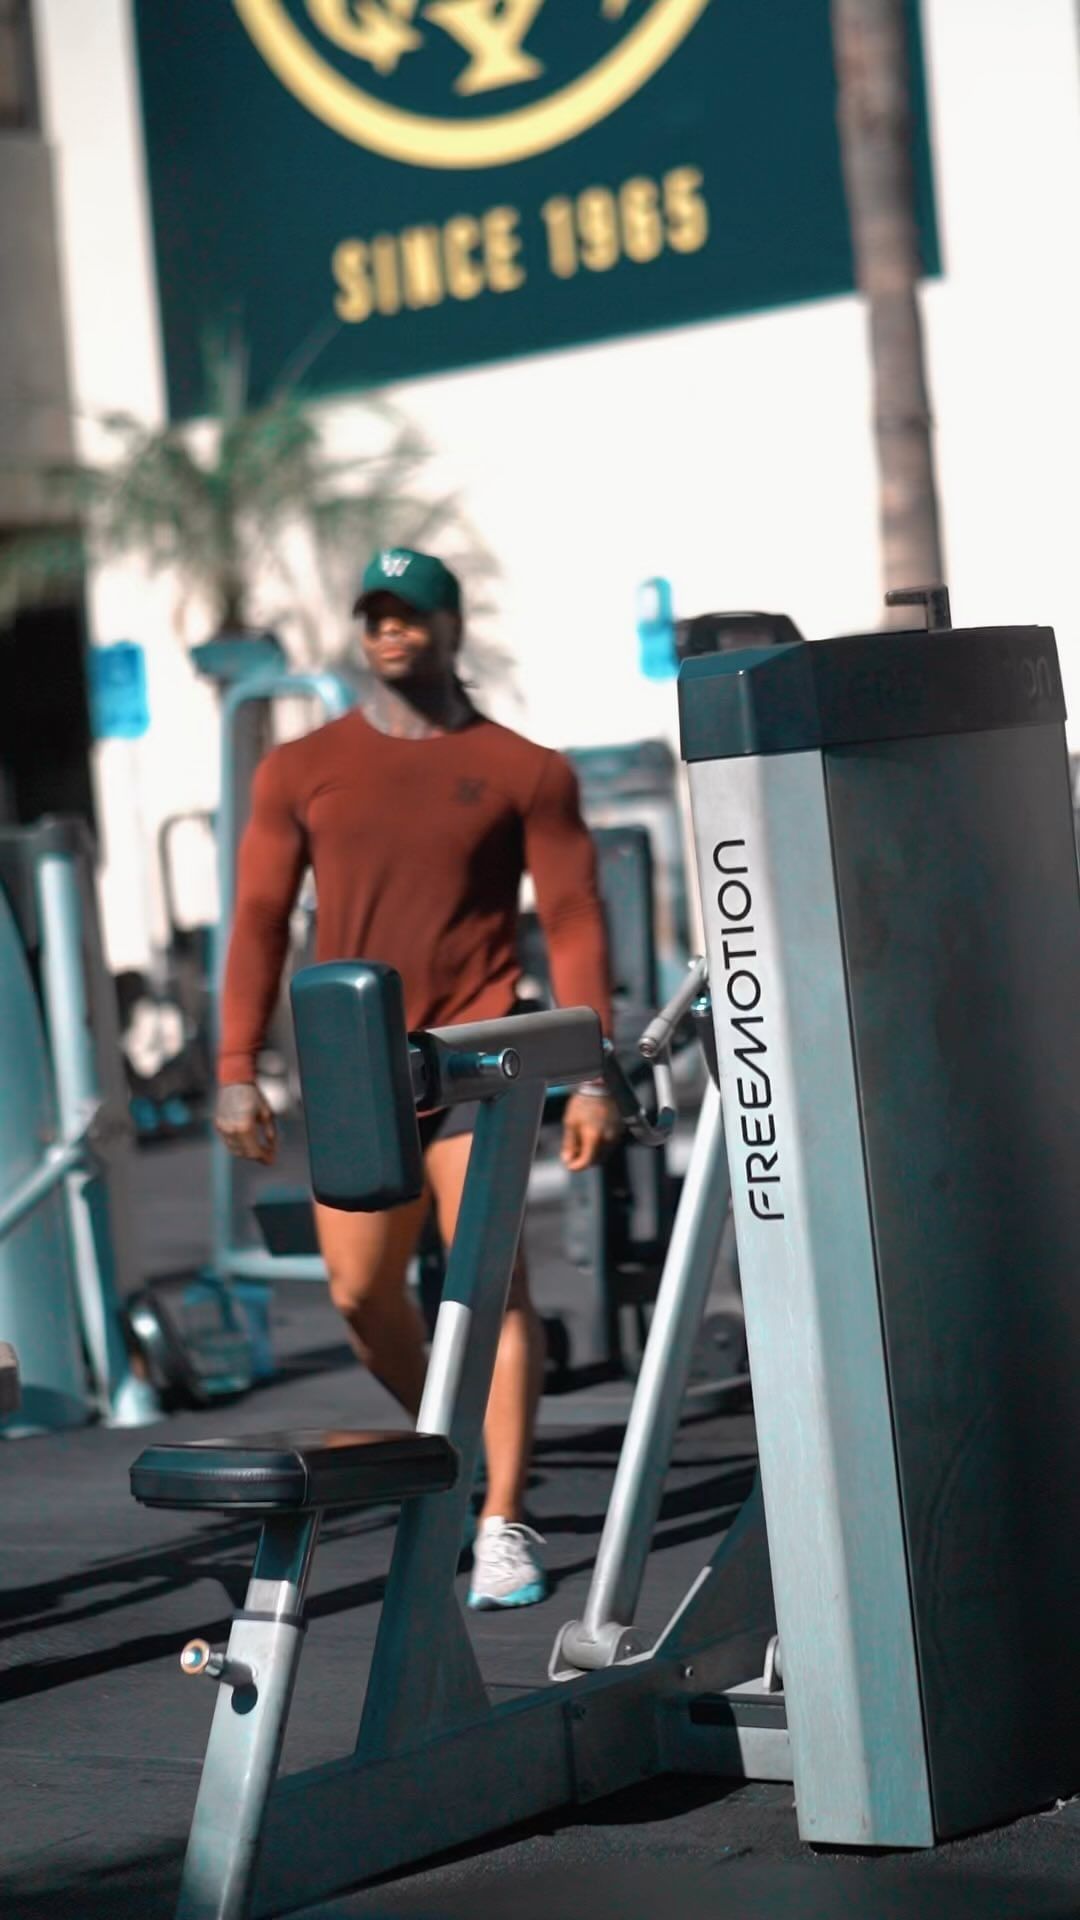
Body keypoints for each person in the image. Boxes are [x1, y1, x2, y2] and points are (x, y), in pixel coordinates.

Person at [215, 546, 620, 1609]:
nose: (391, 630)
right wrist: (235, 1066)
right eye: (376, 614)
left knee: (490, 1285)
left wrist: (592, 1072)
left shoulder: (526, 769)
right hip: (357, 1063)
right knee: (360, 1292)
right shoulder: (299, 769)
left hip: (481, 1054)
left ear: (451, 627)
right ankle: (459, 1451)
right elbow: (257, 920)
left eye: (412, 613)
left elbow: (574, 917)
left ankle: (502, 1520)